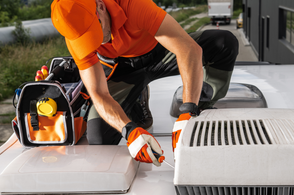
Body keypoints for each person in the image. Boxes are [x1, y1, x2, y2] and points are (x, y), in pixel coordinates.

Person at [51, 0, 238, 167]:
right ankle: (138, 97)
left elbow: (188, 49)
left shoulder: (133, 4)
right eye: (88, 40)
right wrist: (130, 131)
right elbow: (98, 93)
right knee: (99, 136)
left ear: (100, 6)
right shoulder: (75, 37)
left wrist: (188, 111)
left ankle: (200, 105)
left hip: (160, 53)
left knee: (224, 43)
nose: (97, 41)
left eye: (95, 31)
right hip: (123, 71)